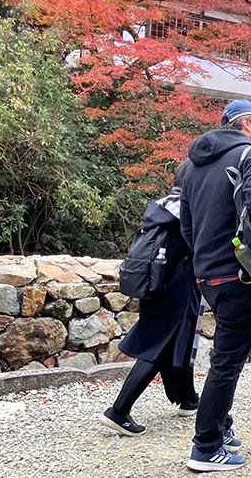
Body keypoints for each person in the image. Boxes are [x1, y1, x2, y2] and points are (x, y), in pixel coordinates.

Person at [179, 99, 251, 472]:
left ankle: (221, 429)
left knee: (223, 358)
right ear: (246, 124)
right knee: (226, 364)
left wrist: (205, 261)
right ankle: (206, 448)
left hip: (207, 275)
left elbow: (187, 226)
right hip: (241, 275)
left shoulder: (192, 165)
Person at [100, 160, 202, 436]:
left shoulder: (163, 207)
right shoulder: (190, 212)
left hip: (156, 283)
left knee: (175, 341)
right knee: (158, 347)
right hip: (178, 286)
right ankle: (118, 411)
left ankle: (188, 399)